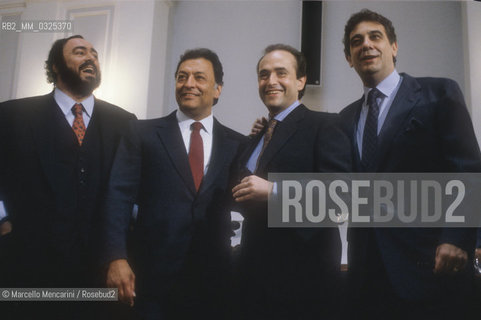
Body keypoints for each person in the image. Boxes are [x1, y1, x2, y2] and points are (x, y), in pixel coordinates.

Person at [339, 9, 481, 319]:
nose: (366, 44)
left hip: (430, 261)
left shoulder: (437, 93)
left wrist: (456, 237)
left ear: (394, 46)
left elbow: (467, 168)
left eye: (376, 36)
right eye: (356, 41)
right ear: (349, 57)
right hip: (367, 272)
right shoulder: (345, 118)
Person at [103, 48, 246, 320]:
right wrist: (115, 256)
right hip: (152, 280)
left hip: (214, 281)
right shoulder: (141, 133)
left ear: (217, 90)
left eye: (199, 77)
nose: (188, 83)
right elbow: (117, 197)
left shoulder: (238, 144)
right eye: (182, 77)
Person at [0, 35, 136, 319]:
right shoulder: (12, 115)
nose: (91, 58)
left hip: (98, 273)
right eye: (79, 52)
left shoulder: (124, 122)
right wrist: (2, 220)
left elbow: (132, 191)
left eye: (95, 54)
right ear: (55, 66)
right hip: (26, 268)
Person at [231, 44, 351, 319]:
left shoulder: (325, 125)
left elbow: (341, 197)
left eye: (280, 73)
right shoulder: (257, 137)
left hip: (304, 285)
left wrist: (275, 191)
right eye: (264, 74)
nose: (270, 81)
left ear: (300, 81)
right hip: (252, 281)